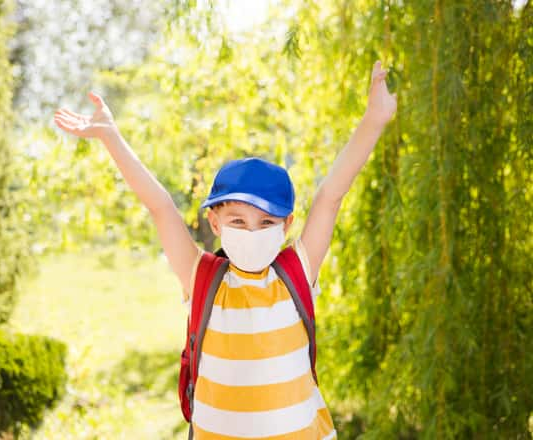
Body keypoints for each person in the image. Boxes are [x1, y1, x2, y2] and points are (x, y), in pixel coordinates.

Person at [54, 60, 397, 439]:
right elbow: (161, 206)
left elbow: (331, 195)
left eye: (266, 223)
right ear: (215, 224)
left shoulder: (297, 269)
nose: (252, 232)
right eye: (238, 221)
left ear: (287, 225)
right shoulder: (201, 277)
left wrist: (374, 120)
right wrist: (111, 137)